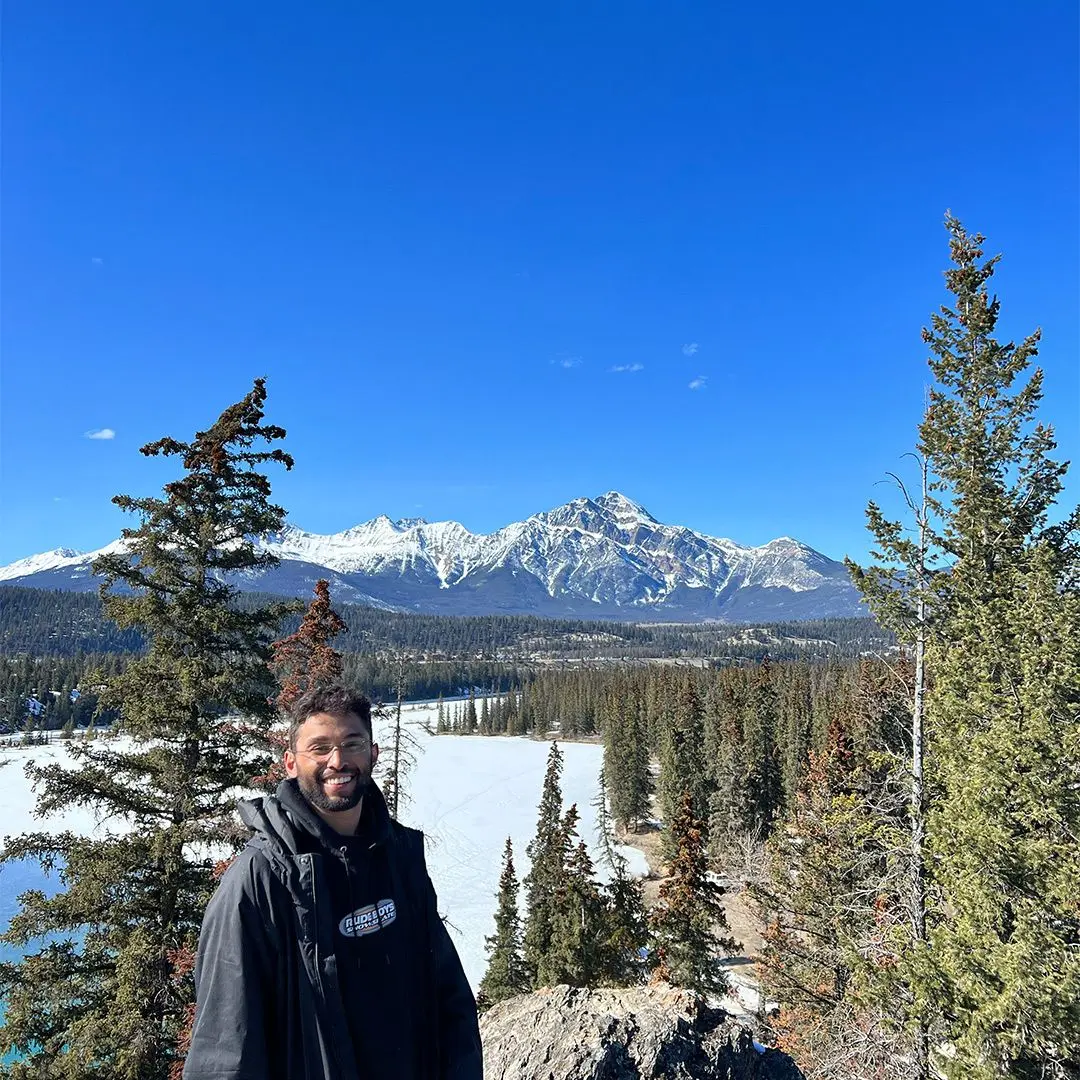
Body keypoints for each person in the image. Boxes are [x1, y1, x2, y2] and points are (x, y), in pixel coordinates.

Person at [183, 684, 483, 1080]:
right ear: (291, 763)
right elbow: (225, 1053)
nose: (337, 761)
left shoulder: (398, 857)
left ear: (373, 754)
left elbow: (450, 1001)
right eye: (319, 747)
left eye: (352, 743)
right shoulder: (260, 882)